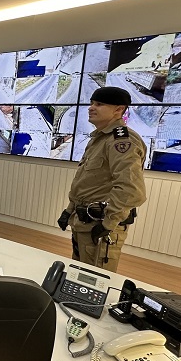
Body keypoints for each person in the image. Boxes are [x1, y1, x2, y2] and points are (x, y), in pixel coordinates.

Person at [57, 87, 147, 272]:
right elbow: (86, 182)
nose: (91, 108)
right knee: (78, 274)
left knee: (94, 279)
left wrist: (108, 224)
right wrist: (69, 210)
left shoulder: (122, 141)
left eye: (99, 104)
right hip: (83, 223)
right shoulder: (99, 138)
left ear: (118, 109)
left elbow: (130, 189)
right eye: (91, 103)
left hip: (100, 226)